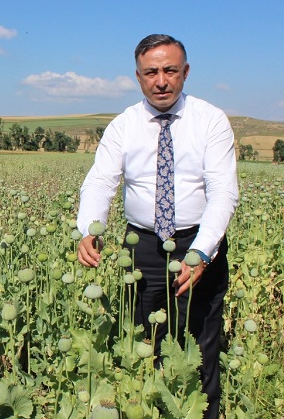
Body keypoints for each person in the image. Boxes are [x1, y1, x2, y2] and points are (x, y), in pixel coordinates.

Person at [76, 34, 238, 418]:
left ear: (185, 72)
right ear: (138, 77)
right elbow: (101, 182)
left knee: (199, 347)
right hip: (143, 247)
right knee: (141, 342)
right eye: (151, 72)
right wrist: (89, 230)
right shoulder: (124, 125)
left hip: (198, 244)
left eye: (170, 70)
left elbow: (223, 192)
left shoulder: (210, 120)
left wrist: (202, 252)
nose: (161, 81)